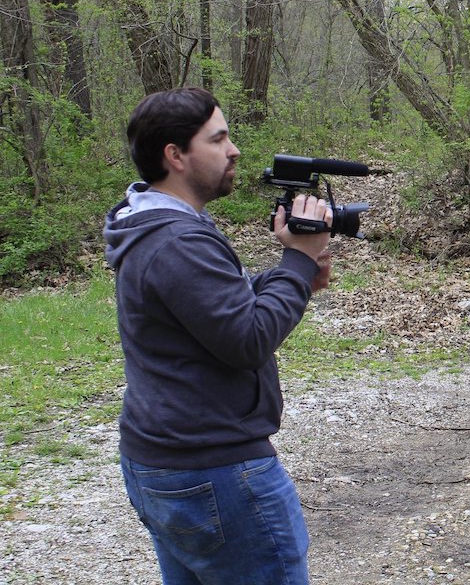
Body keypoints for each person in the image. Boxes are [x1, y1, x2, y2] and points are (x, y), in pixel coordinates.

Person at [104, 87, 332, 585]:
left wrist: (294, 274)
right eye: (219, 138)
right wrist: (297, 259)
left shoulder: (162, 226)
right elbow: (247, 338)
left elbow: (222, 310)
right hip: (212, 471)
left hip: (170, 461)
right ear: (175, 155)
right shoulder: (177, 240)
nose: (234, 151)